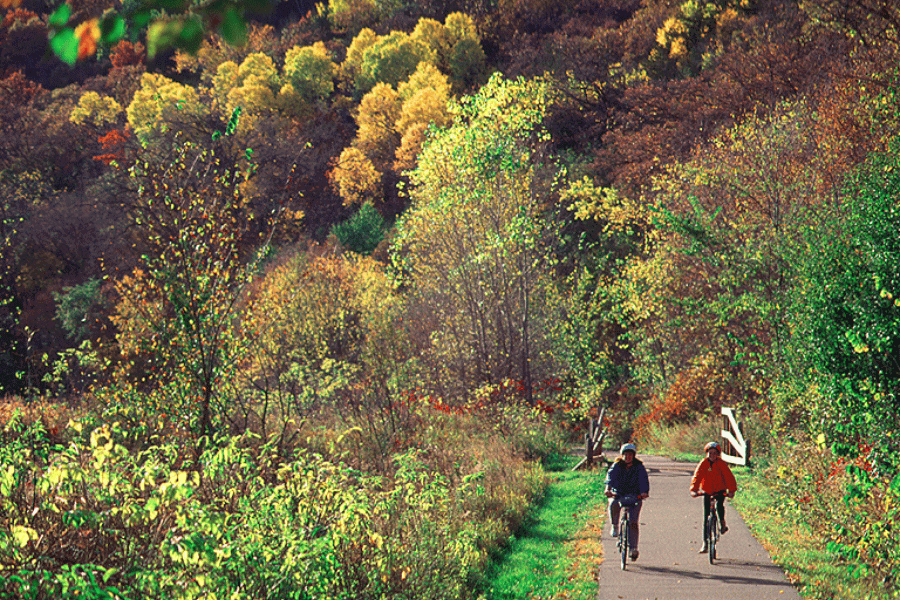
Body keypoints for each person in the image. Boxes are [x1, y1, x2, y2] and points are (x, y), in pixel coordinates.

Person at [690, 441, 738, 553]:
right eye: (710, 453)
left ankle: (722, 522)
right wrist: (694, 490)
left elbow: (729, 477)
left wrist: (731, 491)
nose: (712, 455)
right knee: (706, 517)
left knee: (719, 506)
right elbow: (697, 476)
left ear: (718, 454)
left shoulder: (721, 464)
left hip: (720, 490)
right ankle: (705, 543)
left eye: (714, 453)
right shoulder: (703, 464)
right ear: (706, 454)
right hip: (707, 491)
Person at [605, 443, 650, 560]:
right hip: (619, 493)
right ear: (622, 455)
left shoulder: (639, 467)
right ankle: (615, 525)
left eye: (630, 455)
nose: (628, 457)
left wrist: (644, 492)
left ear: (634, 456)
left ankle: (633, 549)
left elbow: (644, 480)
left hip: (635, 495)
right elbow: (610, 478)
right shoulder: (616, 465)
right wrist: (608, 489)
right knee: (613, 503)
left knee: (633, 522)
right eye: (626, 454)